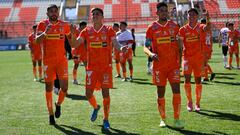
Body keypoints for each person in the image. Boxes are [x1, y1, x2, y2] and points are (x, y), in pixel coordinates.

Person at [70, 7, 124, 129]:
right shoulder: (85, 31)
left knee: (106, 94)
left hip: (105, 68)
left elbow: (115, 44)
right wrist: (73, 34)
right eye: (93, 14)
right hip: (91, 68)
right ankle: (95, 107)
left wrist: (121, 48)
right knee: (88, 94)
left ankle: (106, 119)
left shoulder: (109, 30)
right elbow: (74, 44)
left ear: (102, 17)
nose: (95, 16)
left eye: (97, 14)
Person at [144, 2, 183, 128]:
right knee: (161, 93)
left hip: (173, 66)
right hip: (159, 66)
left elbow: (180, 46)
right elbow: (145, 46)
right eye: (161, 10)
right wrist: (151, 54)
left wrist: (180, 44)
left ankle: (177, 119)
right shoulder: (151, 28)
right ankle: (163, 118)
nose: (163, 12)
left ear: (168, 12)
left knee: (176, 92)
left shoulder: (175, 26)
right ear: (157, 13)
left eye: (165, 10)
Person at [36, 4, 72, 125]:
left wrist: (74, 32)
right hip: (48, 61)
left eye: (55, 11)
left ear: (58, 13)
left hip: (62, 61)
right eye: (51, 11)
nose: (54, 13)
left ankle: (58, 104)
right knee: (48, 88)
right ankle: (51, 114)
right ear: (47, 14)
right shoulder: (42, 24)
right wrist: (45, 33)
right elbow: (37, 40)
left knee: (65, 88)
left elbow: (71, 39)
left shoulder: (64, 25)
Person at [179, 8, 211, 112]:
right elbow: (180, 45)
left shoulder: (201, 27)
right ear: (187, 17)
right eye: (189, 15)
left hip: (198, 59)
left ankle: (197, 103)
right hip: (187, 59)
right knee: (187, 80)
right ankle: (189, 102)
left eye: (193, 15)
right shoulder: (182, 29)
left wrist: (207, 17)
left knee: (198, 81)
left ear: (197, 17)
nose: (191, 16)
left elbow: (208, 27)